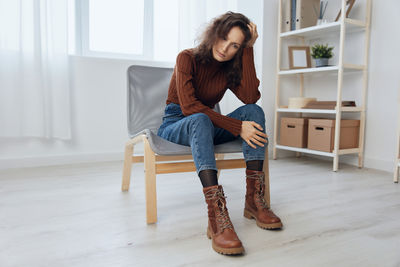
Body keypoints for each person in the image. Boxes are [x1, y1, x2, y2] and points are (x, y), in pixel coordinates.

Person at [157, 12, 282, 255]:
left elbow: (249, 97)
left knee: (253, 111)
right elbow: (190, 108)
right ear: (214, 33)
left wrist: (249, 49)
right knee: (200, 118)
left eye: (235, 45)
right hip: (177, 124)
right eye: (224, 38)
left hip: (207, 124)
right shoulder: (186, 58)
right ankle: (216, 214)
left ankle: (254, 200)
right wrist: (237, 127)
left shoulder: (228, 67)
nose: (225, 48)